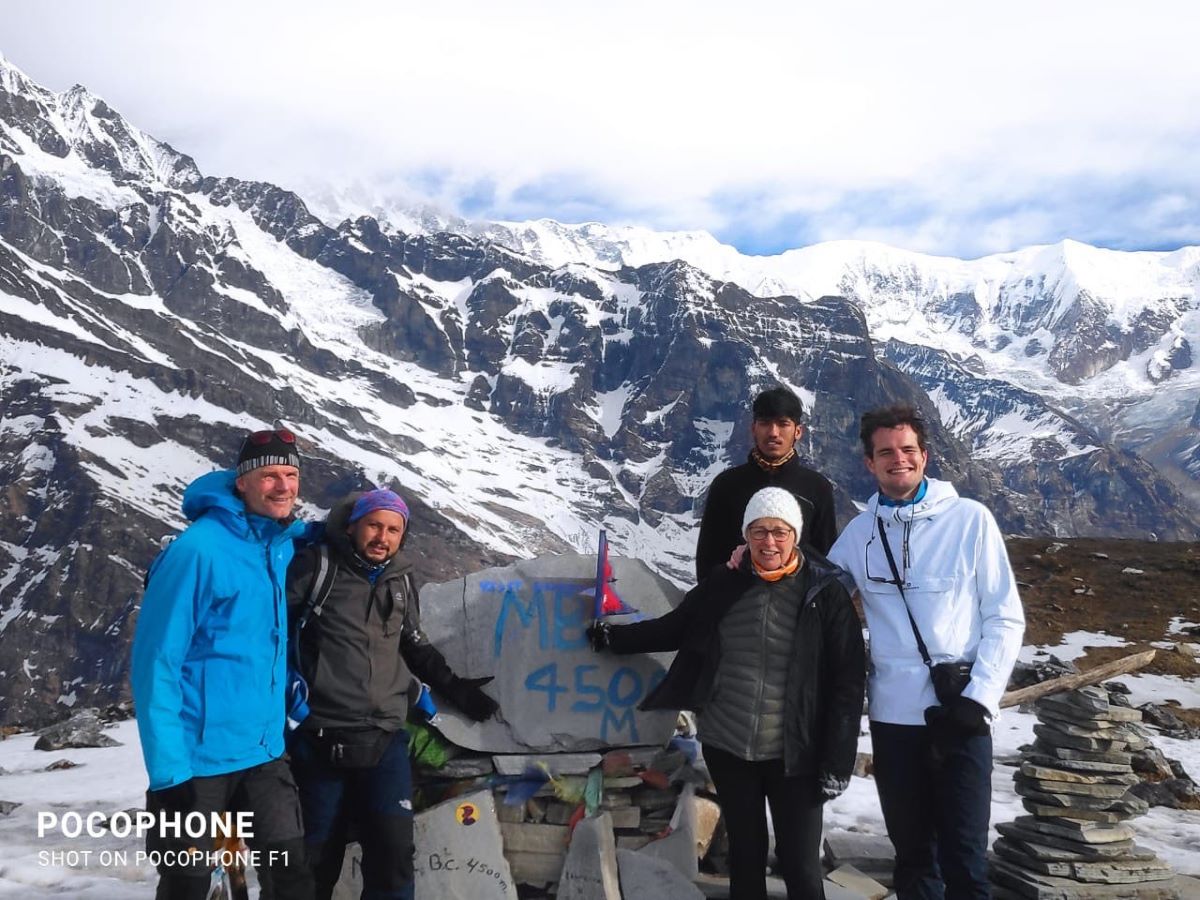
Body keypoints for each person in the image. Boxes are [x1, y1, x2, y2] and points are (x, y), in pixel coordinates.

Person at [590, 487, 865, 900]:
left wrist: (838, 760)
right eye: (758, 531)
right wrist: (614, 639)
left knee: (801, 864)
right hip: (728, 743)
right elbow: (675, 627)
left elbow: (848, 681)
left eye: (778, 531)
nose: (768, 542)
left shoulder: (824, 594)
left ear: (795, 534)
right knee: (746, 855)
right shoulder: (725, 583)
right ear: (745, 536)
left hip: (798, 753)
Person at [826, 404, 1024, 900]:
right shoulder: (858, 533)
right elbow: (815, 595)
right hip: (895, 720)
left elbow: (1005, 616)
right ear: (869, 464)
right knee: (913, 858)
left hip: (961, 712)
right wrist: (750, 557)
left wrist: (979, 699)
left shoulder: (970, 521)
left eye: (908, 450)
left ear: (925, 456)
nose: (899, 459)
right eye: (886, 452)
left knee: (965, 859)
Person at [286, 488, 501, 900]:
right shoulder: (316, 569)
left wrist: (455, 689)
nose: (382, 537)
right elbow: (270, 633)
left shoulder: (399, 578)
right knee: (314, 862)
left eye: (393, 529)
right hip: (319, 738)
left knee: (394, 858)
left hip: (384, 738)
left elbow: (414, 644)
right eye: (374, 525)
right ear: (352, 527)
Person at [131, 427, 314, 900]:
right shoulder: (198, 551)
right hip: (197, 762)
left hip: (264, 753)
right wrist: (169, 774)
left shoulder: (277, 543)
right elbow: (156, 665)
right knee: (188, 884)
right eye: (270, 475)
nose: (283, 486)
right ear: (242, 482)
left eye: (291, 475)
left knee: (291, 877)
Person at [695, 386, 837, 581]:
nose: (773, 432)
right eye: (765, 423)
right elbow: (708, 561)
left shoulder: (817, 488)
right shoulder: (726, 486)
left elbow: (826, 559)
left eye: (783, 423)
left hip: (798, 605)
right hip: (736, 602)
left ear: (798, 431)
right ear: (753, 428)